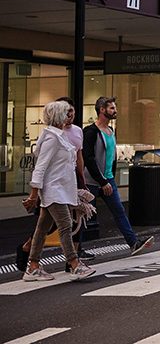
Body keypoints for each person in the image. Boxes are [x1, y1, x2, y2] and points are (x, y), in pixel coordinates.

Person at [16, 97, 93, 272]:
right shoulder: (52, 138)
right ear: (58, 116)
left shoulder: (59, 136)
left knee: (42, 228)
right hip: (54, 190)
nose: (69, 116)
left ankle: (33, 265)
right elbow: (40, 167)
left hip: (59, 189)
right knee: (65, 226)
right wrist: (33, 194)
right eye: (66, 113)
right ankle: (74, 264)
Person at [83, 97, 153, 256]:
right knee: (83, 216)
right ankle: (75, 252)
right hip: (92, 182)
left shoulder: (110, 131)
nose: (115, 111)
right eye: (112, 108)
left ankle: (133, 243)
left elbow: (110, 156)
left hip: (108, 178)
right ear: (102, 110)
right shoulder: (91, 132)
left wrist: (108, 178)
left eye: (115, 108)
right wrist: (101, 181)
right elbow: (88, 158)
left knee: (119, 211)